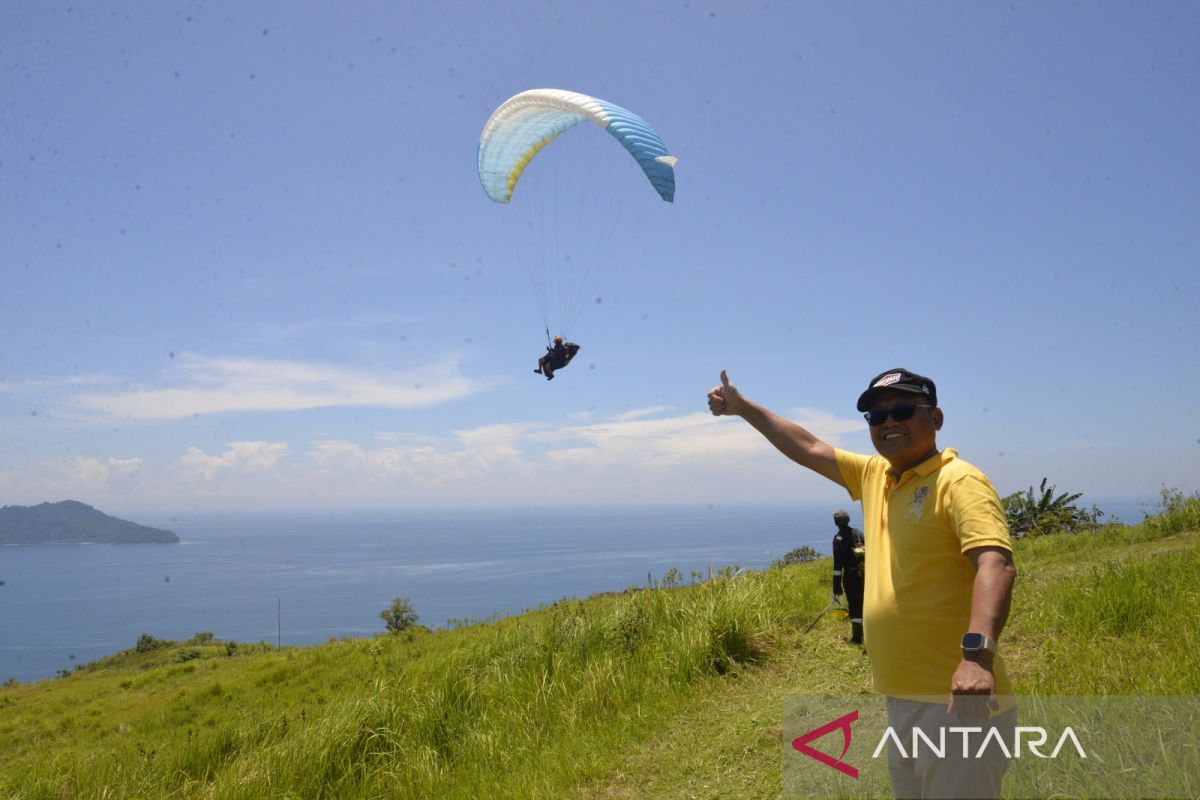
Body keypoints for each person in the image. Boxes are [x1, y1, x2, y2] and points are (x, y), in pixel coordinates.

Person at [707, 367, 1017, 800]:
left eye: (904, 410)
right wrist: (742, 409)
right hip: (904, 697)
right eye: (876, 417)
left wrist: (977, 657)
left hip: (958, 702)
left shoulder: (958, 480)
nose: (889, 422)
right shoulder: (877, 476)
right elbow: (809, 446)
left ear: (936, 418)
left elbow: (995, 564)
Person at [831, 509, 865, 645]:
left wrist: (836, 586)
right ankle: (870, 634)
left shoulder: (838, 539)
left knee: (855, 605)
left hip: (851, 577)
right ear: (849, 520)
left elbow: (837, 566)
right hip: (865, 574)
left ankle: (857, 638)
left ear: (836, 523)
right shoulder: (858, 533)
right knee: (865, 603)